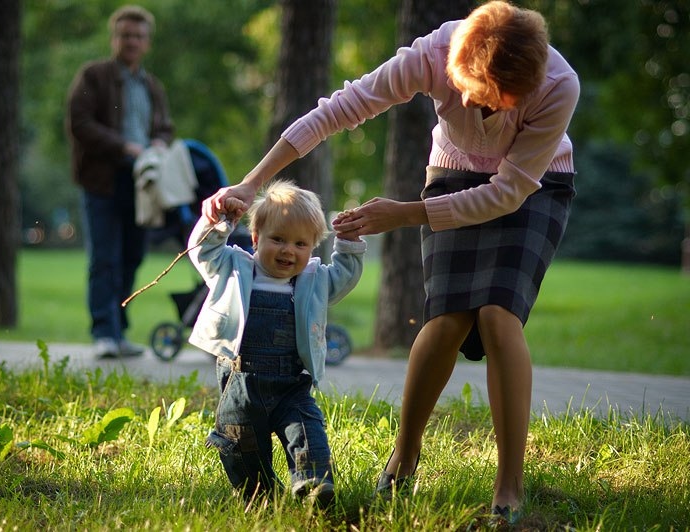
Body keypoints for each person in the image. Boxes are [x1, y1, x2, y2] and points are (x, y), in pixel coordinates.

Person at [202, 0, 579, 523]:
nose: (482, 108)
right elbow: (337, 110)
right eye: (476, 93)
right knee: (446, 319)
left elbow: (508, 192)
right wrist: (251, 181)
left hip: (533, 189)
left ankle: (509, 487)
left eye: (499, 102)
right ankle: (405, 455)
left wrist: (404, 214)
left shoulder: (559, 85)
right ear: (457, 65)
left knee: (497, 313)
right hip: (452, 173)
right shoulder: (433, 53)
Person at [189, 180, 366, 506]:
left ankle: (313, 483)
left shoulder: (315, 281)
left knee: (307, 430)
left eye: (301, 244)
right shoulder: (233, 268)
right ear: (256, 238)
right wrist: (219, 221)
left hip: (291, 384)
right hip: (240, 383)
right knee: (242, 446)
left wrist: (350, 240)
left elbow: (345, 273)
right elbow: (203, 250)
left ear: (313, 247)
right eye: (278, 239)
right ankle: (260, 498)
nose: (288, 250)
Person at [66, 5, 174, 358]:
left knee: (132, 256)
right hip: (103, 182)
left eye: (139, 36)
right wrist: (123, 146)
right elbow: (79, 122)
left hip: (143, 185)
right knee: (104, 258)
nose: (132, 41)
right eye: (126, 35)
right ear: (115, 38)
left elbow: (164, 127)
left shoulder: (152, 85)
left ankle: (120, 331)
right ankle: (104, 333)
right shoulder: (93, 76)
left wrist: (159, 141)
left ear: (148, 43)